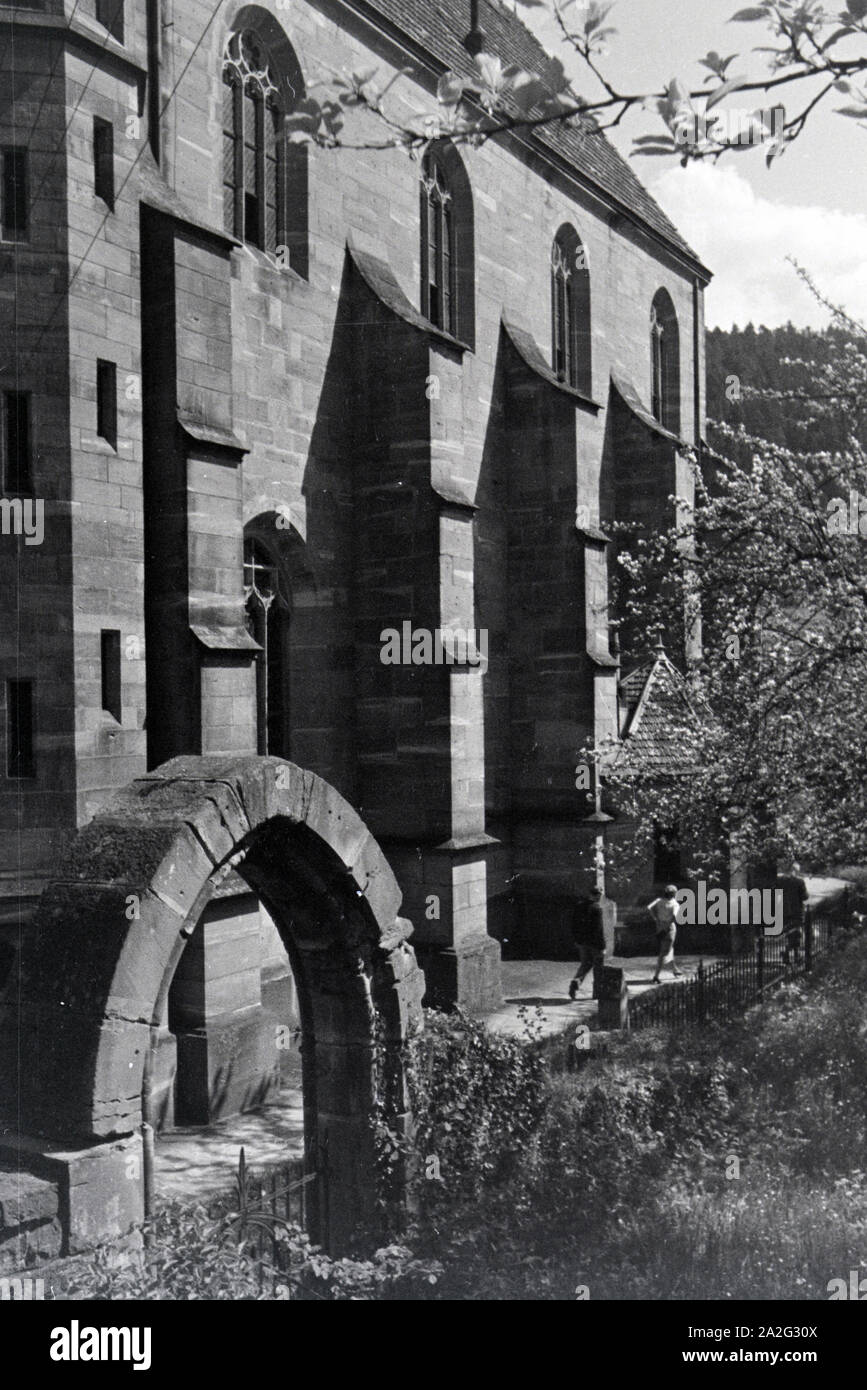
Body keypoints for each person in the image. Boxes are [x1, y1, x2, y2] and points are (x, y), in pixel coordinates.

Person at [568, 886, 606, 1000]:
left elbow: (573, 924)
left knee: (585, 963)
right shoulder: (597, 908)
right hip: (595, 943)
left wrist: (576, 940)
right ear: (597, 895)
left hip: (582, 941)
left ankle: (576, 981)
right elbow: (599, 929)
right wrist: (602, 946)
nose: (600, 897)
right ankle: (597, 993)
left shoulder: (579, 906)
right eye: (599, 895)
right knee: (598, 968)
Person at [648, 883, 682, 982]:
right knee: (664, 952)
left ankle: (675, 970)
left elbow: (649, 907)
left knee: (668, 948)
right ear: (674, 894)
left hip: (659, 927)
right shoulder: (675, 904)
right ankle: (656, 976)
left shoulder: (658, 901)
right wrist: (666, 926)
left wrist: (656, 919)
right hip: (669, 929)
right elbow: (674, 917)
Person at [777, 860, 808, 965]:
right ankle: (790, 954)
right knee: (797, 933)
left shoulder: (780, 880)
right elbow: (805, 897)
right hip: (796, 912)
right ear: (795, 870)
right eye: (798, 871)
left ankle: (792, 955)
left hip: (784, 911)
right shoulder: (799, 882)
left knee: (790, 933)